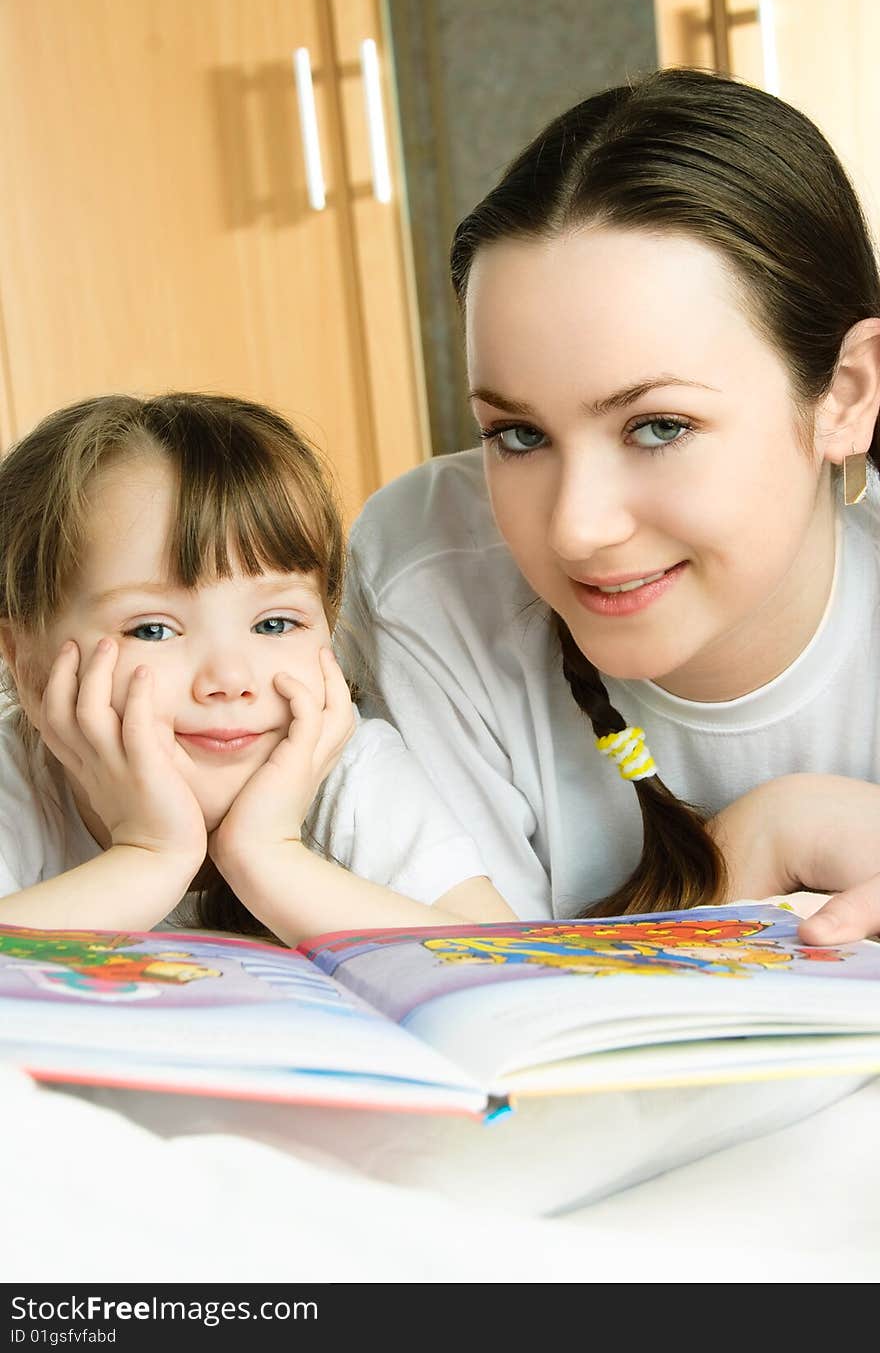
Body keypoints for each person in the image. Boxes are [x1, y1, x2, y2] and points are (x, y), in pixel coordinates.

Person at [342, 66, 880, 945]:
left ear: (847, 395)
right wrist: (760, 844)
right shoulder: (430, 569)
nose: (576, 529)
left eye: (658, 425)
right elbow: (500, 1031)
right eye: (517, 435)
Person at [0, 392, 514, 944]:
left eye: (274, 624)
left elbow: (517, 963)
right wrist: (149, 854)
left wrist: (268, 857)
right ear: (23, 656)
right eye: (152, 629)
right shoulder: (19, 783)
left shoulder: (350, 773)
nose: (230, 680)